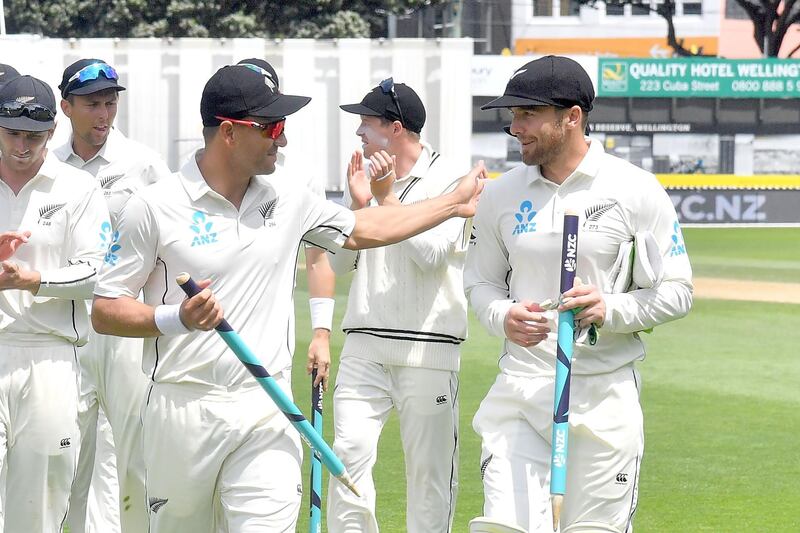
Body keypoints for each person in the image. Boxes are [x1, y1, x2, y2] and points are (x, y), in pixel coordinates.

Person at [90, 64, 484, 532]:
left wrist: (452, 203)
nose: (284, 140)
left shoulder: (290, 197)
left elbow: (366, 230)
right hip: (182, 407)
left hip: (267, 406)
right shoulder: (153, 207)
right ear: (232, 133)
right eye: (274, 127)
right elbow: (105, 309)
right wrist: (177, 318)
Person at [463, 55, 693, 533]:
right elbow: (480, 284)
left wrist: (612, 308)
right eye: (512, 115)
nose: (514, 127)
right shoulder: (501, 195)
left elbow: (678, 291)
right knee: (503, 527)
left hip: (603, 396)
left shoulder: (636, 190)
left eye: (528, 114)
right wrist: (502, 315)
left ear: (572, 117)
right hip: (521, 392)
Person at [327, 79, 469, 533]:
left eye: (366, 125)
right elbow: (340, 262)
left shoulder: (451, 179)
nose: (359, 136)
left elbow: (430, 257)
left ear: (395, 129)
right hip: (364, 346)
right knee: (345, 463)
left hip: (428, 351)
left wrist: (386, 200)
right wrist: (359, 203)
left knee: (429, 479)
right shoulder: (365, 178)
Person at [52, 58, 172, 533]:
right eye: (91, 104)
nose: (103, 114)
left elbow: (172, 235)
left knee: (137, 453)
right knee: (69, 455)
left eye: (110, 103)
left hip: (124, 324)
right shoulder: (50, 164)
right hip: (70, 327)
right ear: (66, 107)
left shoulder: (142, 164)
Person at [0, 75, 109, 532]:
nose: (22, 145)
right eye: (12, 133)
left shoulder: (77, 188)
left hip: (52, 356)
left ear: (51, 133)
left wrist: (34, 279)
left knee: (40, 507)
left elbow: (98, 270)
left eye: (34, 136)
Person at [236, 57, 337, 390]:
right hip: (200, 354)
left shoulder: (299, 175)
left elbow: (318, 258)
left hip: (272, 348)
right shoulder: (200, 171)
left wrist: (321, 334)